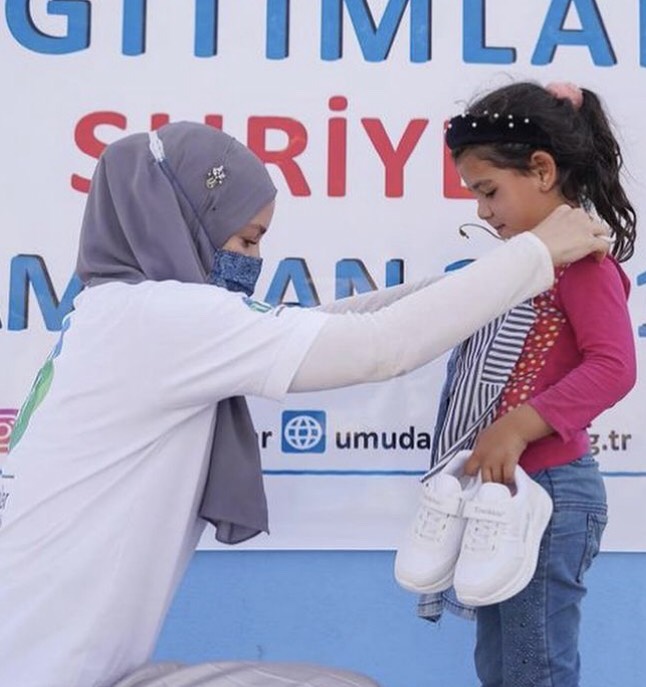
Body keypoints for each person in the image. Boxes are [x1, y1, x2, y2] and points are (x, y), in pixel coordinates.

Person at [0, 121, 609, 687]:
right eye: (245, 239)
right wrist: (534, 254)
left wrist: (476, 283)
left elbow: (317, 323)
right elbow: (379, 347)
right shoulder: (160, 317)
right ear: (184, 220)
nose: (252, 261)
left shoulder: (119, 313)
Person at [418, 81, 637, 686]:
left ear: (542, 170)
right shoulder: (516, 271)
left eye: (488, 191)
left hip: (551, 496)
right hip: (505, 495)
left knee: (533, 665)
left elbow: (614, 366)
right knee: (500, 665)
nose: (482, 211)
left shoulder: (585, 265)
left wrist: (516, 427)